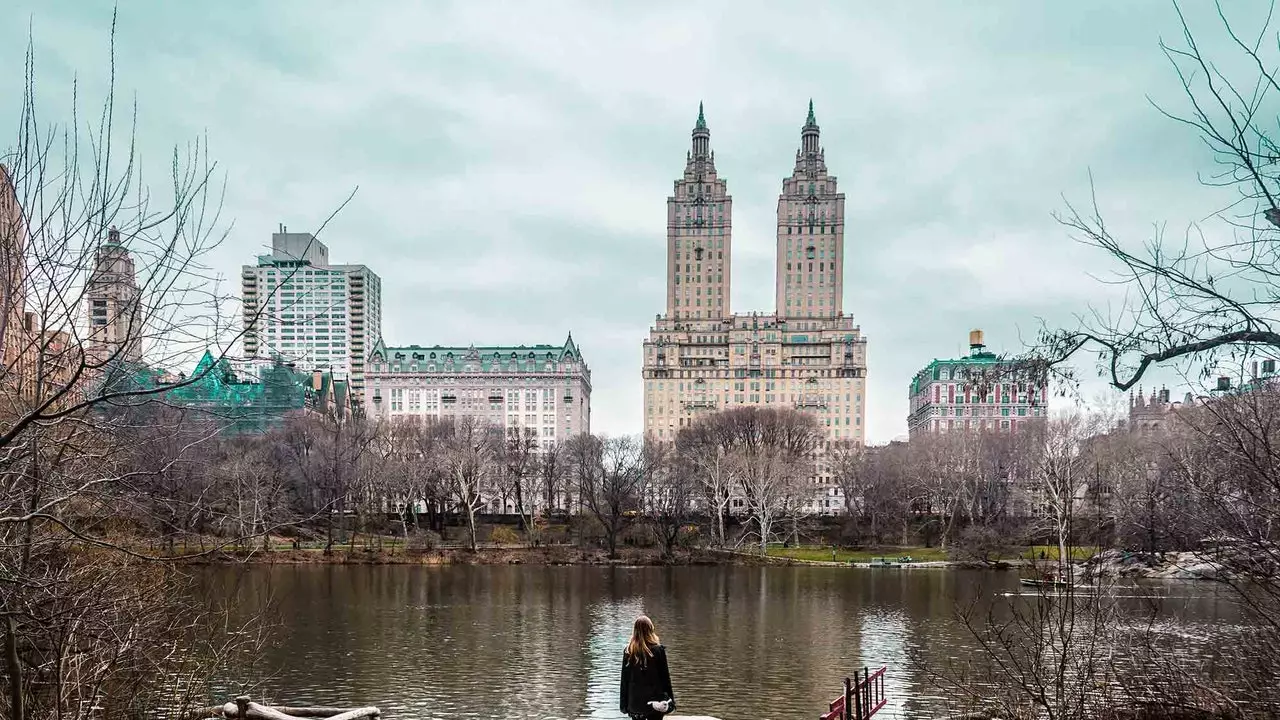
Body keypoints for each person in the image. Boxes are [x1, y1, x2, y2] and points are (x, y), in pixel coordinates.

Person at [619, 615, 676, 719]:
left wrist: (624, 706)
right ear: (651, 630)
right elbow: (665, 679)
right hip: (655, 704)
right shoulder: (658, 651)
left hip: (635, 705)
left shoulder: (628, 651)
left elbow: (624, 681)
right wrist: (671, 702)